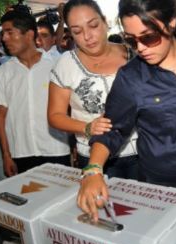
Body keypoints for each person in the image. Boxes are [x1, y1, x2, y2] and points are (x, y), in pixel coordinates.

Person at [78, 0, 176, 221]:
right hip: (164, 186)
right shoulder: (131, 78)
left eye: (148, 37)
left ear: (171, 23)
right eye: (131, 40)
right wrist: (93, 170)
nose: (141, 48)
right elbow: (112, 129)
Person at [48, 0, 138, 179]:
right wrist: (87, 127)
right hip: (93, 156)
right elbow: (55, 116)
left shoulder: (134, 54)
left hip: (143, 152)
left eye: (93, 25)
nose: (87, 36)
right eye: (77, 31)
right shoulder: (66, 64)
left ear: (105, 22)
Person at [0, 10, 70, 176]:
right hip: (20, 152)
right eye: (2, 33)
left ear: (28, 34)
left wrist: (75, 145)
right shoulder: (3, 72)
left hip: (56, 148)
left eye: (9, 32)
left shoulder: (57, 65)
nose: (4, 39)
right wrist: (6, 155)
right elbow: (1, 116)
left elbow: (70, 108)